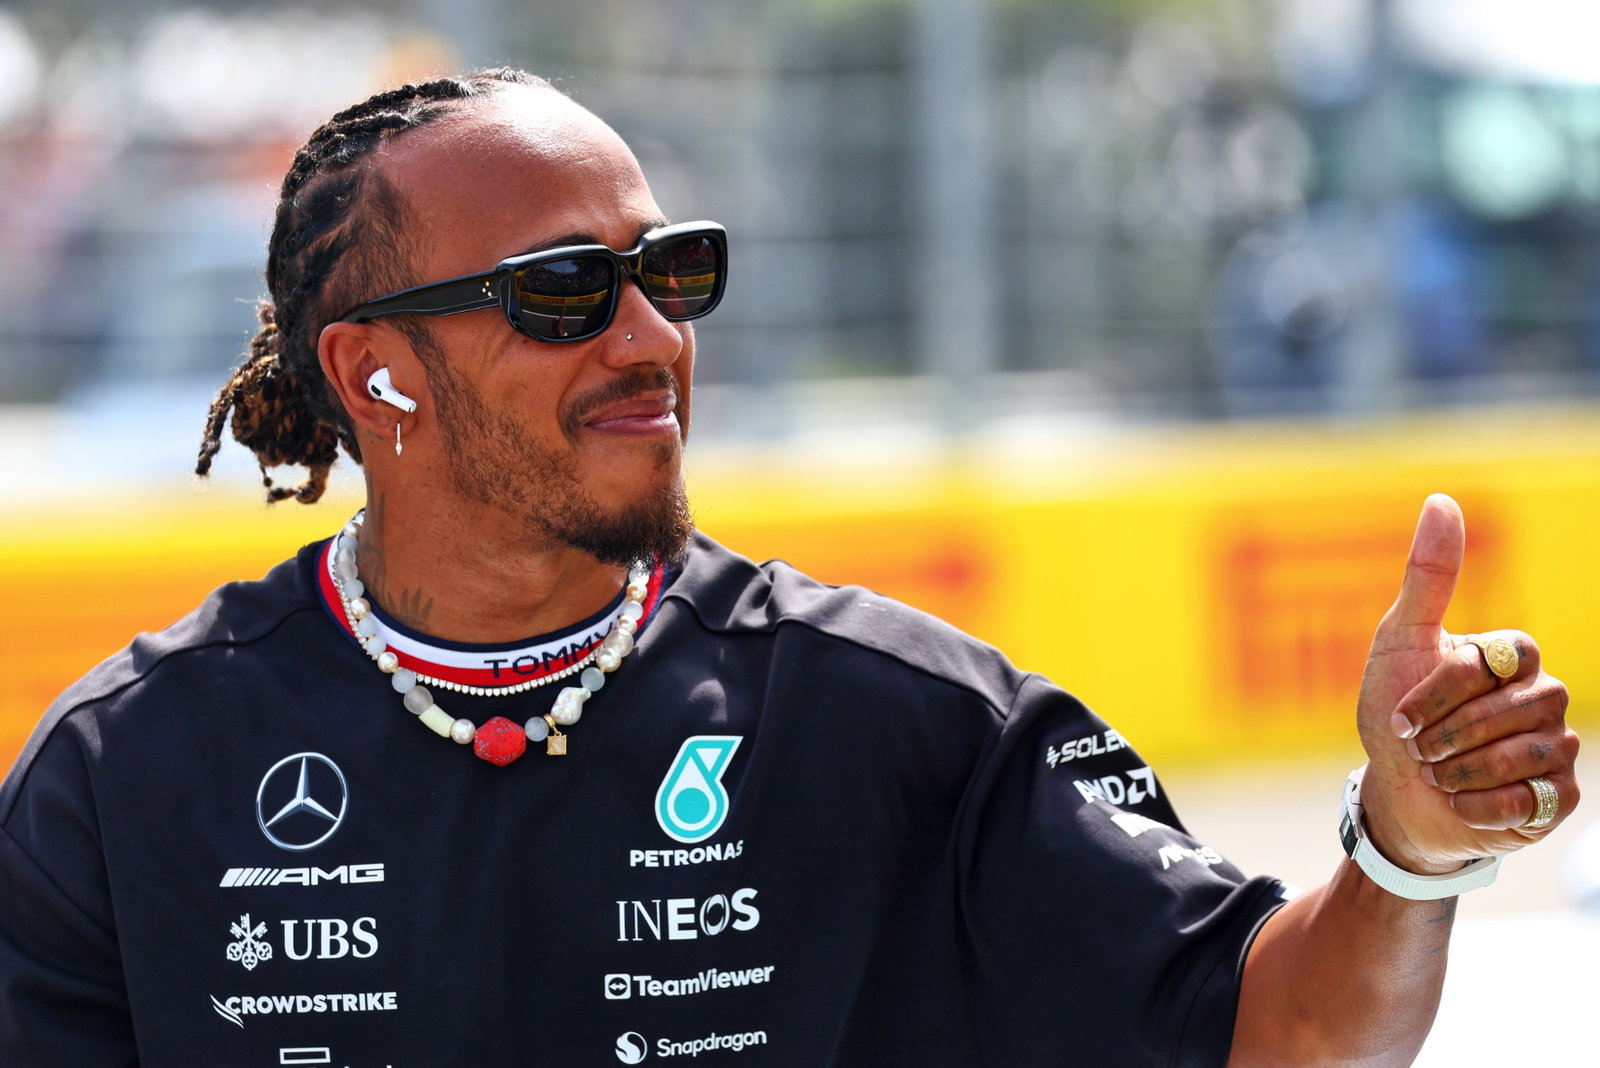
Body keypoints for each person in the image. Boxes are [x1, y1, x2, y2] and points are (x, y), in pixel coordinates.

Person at [0, 68, 1578, 1066]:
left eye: (668, 272)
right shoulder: (125, 779)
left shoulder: (900, 723)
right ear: (376, 377)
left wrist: (1408, 852)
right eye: (565, 290)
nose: (649, 337)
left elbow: (1276, 1031)